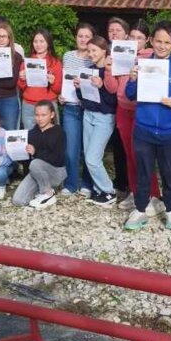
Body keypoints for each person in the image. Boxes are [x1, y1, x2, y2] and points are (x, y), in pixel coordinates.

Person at [123, 21, 171, 231]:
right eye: (158, 41)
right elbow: (130, 95)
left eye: (167, 42)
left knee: (169, 173)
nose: (162, 46)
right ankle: (140, 209)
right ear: (151, 41)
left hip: (169, 132)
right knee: (143, 172)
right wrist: (132, 79)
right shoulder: (142, 65)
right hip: (143, 130)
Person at [111, 20, 162, 214]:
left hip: (142, 110)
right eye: (132, 37)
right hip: (122, 109)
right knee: (129, 156)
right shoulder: (119, 53)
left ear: (147, 40)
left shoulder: (152, 56)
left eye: (139, 38)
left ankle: (154, 195)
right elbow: (113, 86)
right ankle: (135, 192)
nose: (135, 41)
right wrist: (108, 69)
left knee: (143, 156)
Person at [75, 35, 118, 207]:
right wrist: (79, 88)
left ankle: (109, 191)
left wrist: (101, 87)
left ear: (104, 51)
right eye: (89, 51)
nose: (91, 54)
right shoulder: (88, 70)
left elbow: (113, 101)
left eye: (94, 50)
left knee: (93, 158)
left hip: (104, 118)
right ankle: (98, 189)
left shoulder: (110, 71)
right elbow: (85, 98)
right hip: (88, 115)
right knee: (89, 156)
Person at [59, 22, 96, 196]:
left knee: (88, 148)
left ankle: (87, 184)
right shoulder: (67, 56)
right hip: (70, 108)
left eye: (87, 36)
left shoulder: (94, 57)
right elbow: (63, 80)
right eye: (80, 36)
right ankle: (71, 183)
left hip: (88, 109)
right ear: (75, 38)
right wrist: (60, 95)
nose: (83, 39)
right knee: (70, 149)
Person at [12, 100, 67, 209]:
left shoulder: (59, 132)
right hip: (37, 172)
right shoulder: (32, 133)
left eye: (43, 115)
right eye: (37, 115)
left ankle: (48, 194)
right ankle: (41, 191)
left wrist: (35, 153)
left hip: (56, 172)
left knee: (35, 163)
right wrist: (16, 152)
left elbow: (57, 159)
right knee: (18, 201)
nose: (40, 118)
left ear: (52, 115)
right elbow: (28, 161)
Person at [17, 28, 62, 131]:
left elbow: (58, 89)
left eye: (42, 41)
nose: (38, 44)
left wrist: (53, 82)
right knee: (31, 137)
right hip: (29, 106)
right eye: (35, 41)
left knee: (51, 137)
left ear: (48, 43)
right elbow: (21, 87)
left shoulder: (55, 63)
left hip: (48, 105)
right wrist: (22, 79)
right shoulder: (27, 62)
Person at [105, 17, 130, 197]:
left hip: (128, 105)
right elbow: (111, 86)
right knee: (118, 145)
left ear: (126, 34)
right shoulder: (106, 52)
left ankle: (132, 182)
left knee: (130, 146)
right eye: (111, 30)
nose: (114, 33)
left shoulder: (134, 53)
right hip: (111, 104)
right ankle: (121, 181)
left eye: (118, 30)